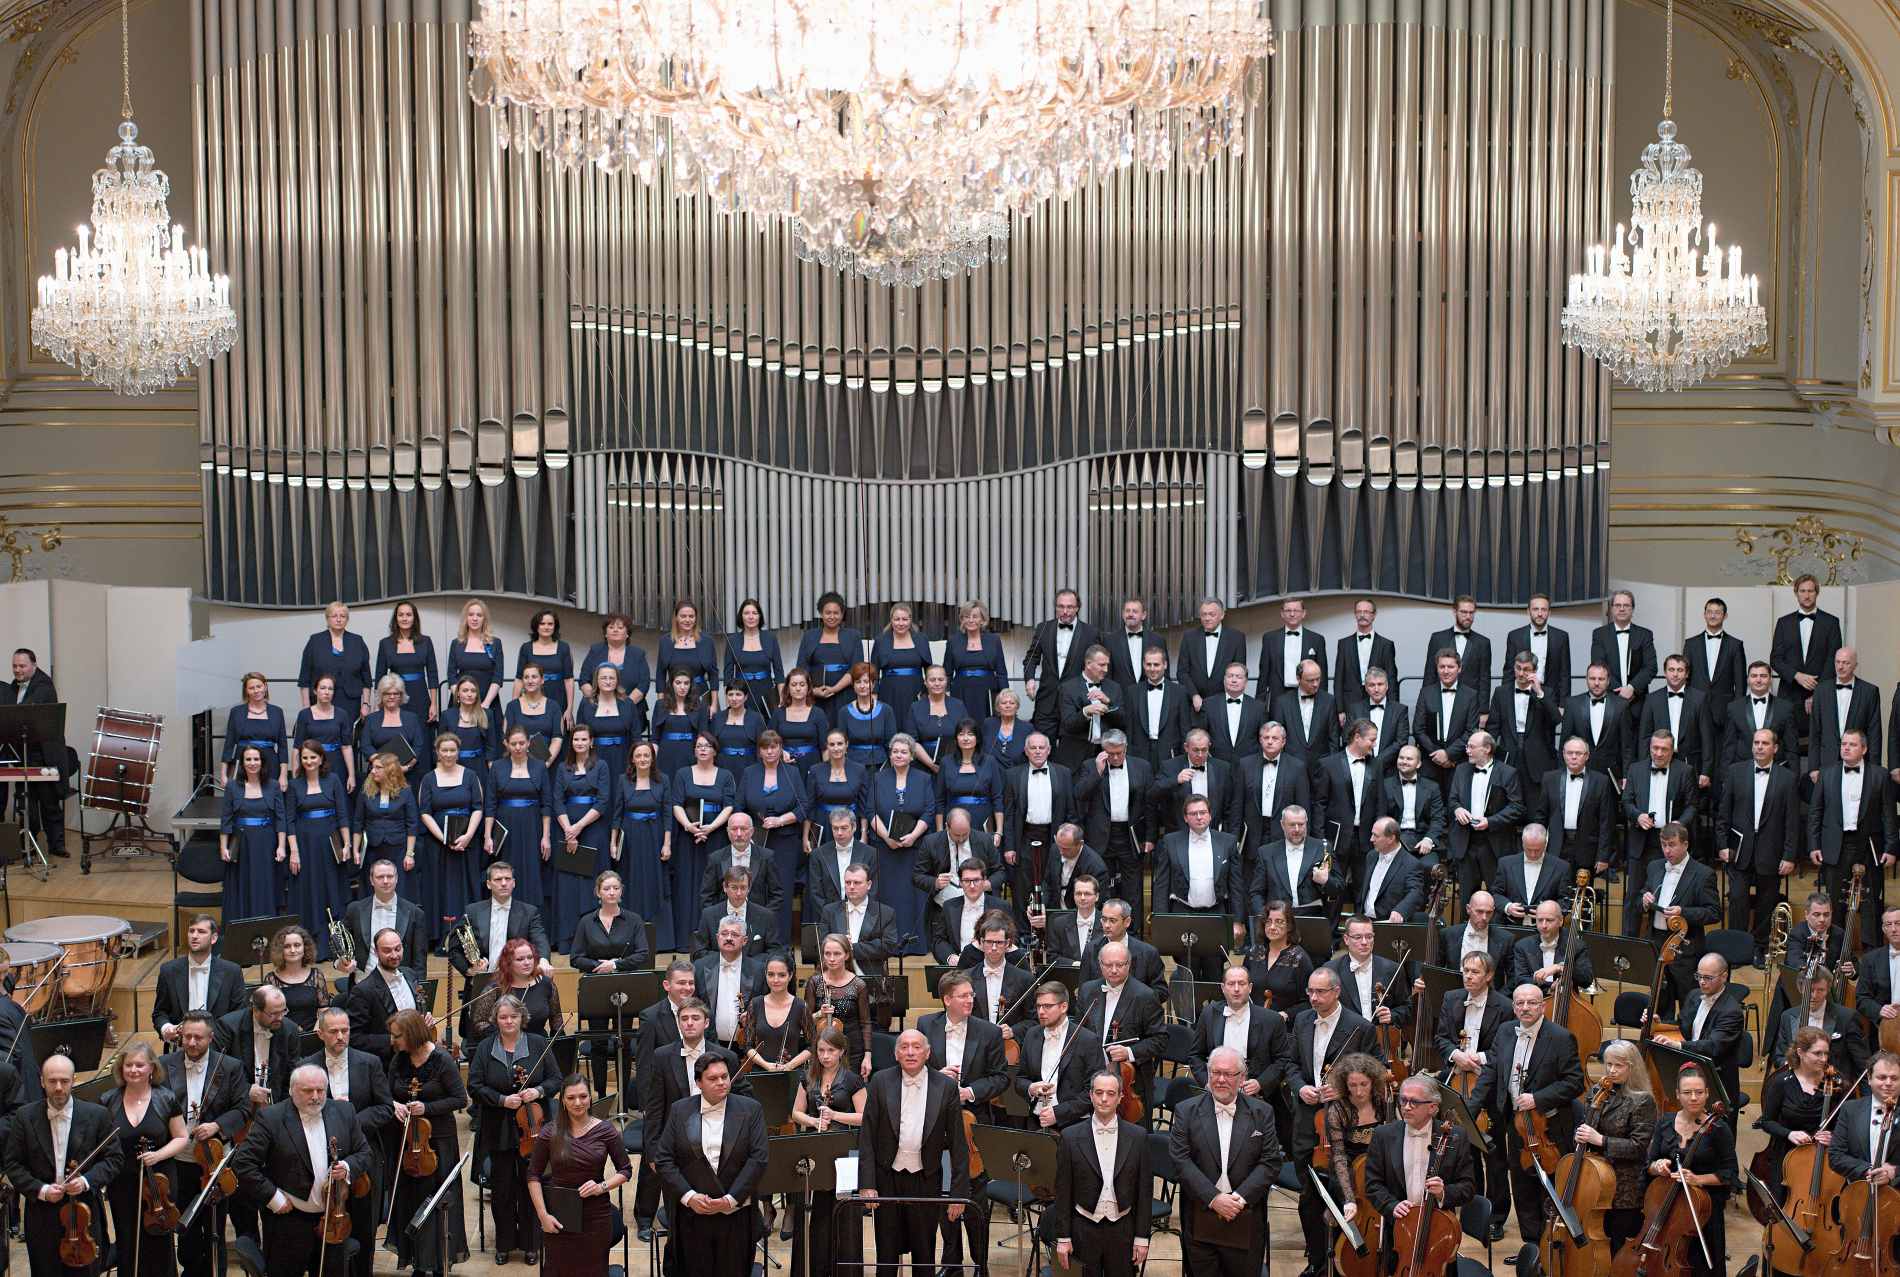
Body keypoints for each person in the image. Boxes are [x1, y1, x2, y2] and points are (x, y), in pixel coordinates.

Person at [229, 1063, 373, 1277]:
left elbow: (365, 1153)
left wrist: (347, 1166)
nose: (315, 1097)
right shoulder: (271, 1117)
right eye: (308, 1091)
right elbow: (243, 1163)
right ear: (292, 1090)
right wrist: (273, 1197)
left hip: (334, 1218)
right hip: (288, 1222)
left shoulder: (345, 1111)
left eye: (320, 1090)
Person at [1474, 983, 1586, 1243]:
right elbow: (1491, 1071)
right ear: (1514, 1007)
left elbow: (1575, 1083)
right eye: (1520, 1003)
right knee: (1522, 1187)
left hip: (1549, 1126)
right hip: (1516, 1124)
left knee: (1549, 1189)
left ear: (1542, 1006)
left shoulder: (1561, 1038)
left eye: (1532, 1003)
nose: (1525, 1008)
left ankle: (1551, 1249)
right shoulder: (1505, 1031)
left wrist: (1537, 1098)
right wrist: (1471, 1108)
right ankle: (1531, 1249)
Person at [859, 1029, 970, 1277]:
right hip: (887, 1176)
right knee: (886, 1253)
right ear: (896, 1054)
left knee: (924, 1252)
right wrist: (867, 1183)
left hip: (926, 1178)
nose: (910, 1052)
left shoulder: (946, 1086)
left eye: (917, 1047)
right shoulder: (880, 1081)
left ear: (927, 1053)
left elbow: (958, 1144)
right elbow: (867, 1136)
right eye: (904, 1047)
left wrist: (958, 1193)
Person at [921, 971, 1008, 1275]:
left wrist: (968, 1091)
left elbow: (1001, 1078)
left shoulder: (989, 1032)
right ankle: (951, 1264)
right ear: (947, 999)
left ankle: (980, 1263)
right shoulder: (925, 1025)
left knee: (975, 1200)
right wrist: (936, 1077)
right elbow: (913, 1068)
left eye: (971, 994)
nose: (970, 1000)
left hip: (974, 1123)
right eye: (963, 996)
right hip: (937, 1123)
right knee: (944, 1194)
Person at [1169, 1045, 1282, 1277]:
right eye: (1216, 1073)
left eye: (1228, 1074)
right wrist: (1214, 1198)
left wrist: (1238, 1199)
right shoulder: (1185, 1111)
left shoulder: (1263, 1112)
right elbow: (1181, 1160)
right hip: (1200, 1215)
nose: (1221, 1080)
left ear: (1242, 1078)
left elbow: (1270, 1162)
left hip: (1245, 1216)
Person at [297, 1007, 394, 1277]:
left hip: (363, 1155)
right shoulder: (306, 1066)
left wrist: (349, 1119)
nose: (341, 1036)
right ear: (320, 1033)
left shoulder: (370, 1062)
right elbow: (296, 1108)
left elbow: (385, 1107)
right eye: (334, 1031)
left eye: (345, 1030)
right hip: (320, 1154)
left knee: (364, 1225)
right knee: (325, 1225)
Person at [652, 1052, 768, 1277]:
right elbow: (664, 1159)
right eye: (713, 1078)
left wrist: (729, 1200)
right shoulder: (679, 1110)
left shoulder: (751, 1109)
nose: (721, 1082)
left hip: (736, 1214)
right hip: (693, 1215)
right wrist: (689, 1197)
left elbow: (758, 1159)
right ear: (698, 1083)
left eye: (724, 1076)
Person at [468, 995, 563, 1265]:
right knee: (502, 1189)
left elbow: (556, 1079)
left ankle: (532, 1244)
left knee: (531, 1184)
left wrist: (538, 1091)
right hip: (498, 1128)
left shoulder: (538, 1043)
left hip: (533, 1128)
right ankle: (504, 1244)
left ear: (522, 1017)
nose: (508, 1021)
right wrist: (501, 1100)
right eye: (503, 1017)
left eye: (513, 1016)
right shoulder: (485, 1048)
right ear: (495, 1020)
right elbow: (474, 1086)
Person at [5, 1054, 119, 1277]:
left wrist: (85, 1181)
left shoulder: (97, 1115)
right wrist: (41, 1190)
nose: (58, 1087)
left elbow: (113, 1159)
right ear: (41, 1081)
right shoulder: (24, 1116)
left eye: (64, 1081)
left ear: (73, 1080)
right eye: (52, 1081)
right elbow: (13, 1163)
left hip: (85, 1213)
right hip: (42, 1215)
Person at [161, 1011, 252, 1271]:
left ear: (211, 1038)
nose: (191, 1042)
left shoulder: (230, 1066)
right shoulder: (164, 1064)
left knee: (214, 1230)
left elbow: (243, 1108)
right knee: (185, 1229)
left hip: (213, 1162)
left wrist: (217, 1126)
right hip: (178, 1160)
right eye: (187, 1036)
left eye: (198, 1038)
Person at [384, 1008, 469, 1273]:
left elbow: (460, 1099)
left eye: (397, 1036)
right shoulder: (398, 1060)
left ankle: (439, 1263)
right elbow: (386, 1093)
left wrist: (427, 1108)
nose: (393, 1041)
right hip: (407, 1141)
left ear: (412, 1034)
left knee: (437, 1202)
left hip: (438, 1143)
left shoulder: (441, 1060)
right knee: (410, 1200)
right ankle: (418, 1263)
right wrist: (395, 1105)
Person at [1363, 1077, 1479, 1269]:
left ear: (1432, 1107)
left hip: (1438, 1230)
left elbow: (1468, 1187)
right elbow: (1372, 1184)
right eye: (1403, 1100)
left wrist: (1443, 1193)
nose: (1406, 1107)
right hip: (1398, 1232)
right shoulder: (1383, 1135)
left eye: (1414, 1102)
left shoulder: (1456, 1137)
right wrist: (1392, 1205)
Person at [98, 1043, 189, 1277]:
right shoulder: (108, 1100)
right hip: (122, 1181)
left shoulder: (166, 1098)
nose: (133, 1070)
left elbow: (182, 1137)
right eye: (128, 1065)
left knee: (159, 1239)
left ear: (152, 1068)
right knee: (127, 1238)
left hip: (159, 1180)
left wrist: (158, 1155)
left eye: (139, 1065)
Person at [529, 1074, 634, 1277]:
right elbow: (533, 1175)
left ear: (590, 1098)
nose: (578, 1103)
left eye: (583, 1096)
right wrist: (543, 1215)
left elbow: (625, 1170)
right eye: (571, 1098)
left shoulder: (605, 1130)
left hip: (596, 1216)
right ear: (562, 1100)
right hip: (560, 1214)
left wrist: (601, 1187)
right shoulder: (549, 1132)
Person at [1052, 1070, 1154, 1277]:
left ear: (1120, 1097)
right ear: (1090, 1095)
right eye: (1099, 1093)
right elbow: (1063, 1191)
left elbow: (1144, 1191)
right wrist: (1063, 1237)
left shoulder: (1138, 1136)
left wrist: (1142, 1237)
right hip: (1084, 1227)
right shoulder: (1070, 1136)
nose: (1104, 1099)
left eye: (1111, 1093)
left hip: (1123, 1228)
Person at [1809, 728, 1898, 949]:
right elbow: (1815, 813)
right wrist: (1814, 845)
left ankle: (1871, 953)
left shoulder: (1880, 775)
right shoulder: (1827, 773)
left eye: (1852, 744)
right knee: (1835, 901)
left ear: (1864, 749)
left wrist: (1891, 848)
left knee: (1870, 902)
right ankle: (1836, 952)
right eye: (1844, 744)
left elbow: (1888, 814)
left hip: (1869, 845)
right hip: (1835, 846)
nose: (1846, 748)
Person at [1644, 1064, 1736, 1277]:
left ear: (1707, 1093)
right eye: (1687, 1092)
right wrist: (1657, 1167)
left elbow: (1730, 1173)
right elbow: (1648, 1164)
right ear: (1677, 1094)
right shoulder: (1665, 1122)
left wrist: (1698, 1179)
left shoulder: (1719, 1129)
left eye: (1699, 1092)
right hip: (1667, 1208)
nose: (1693, 1097)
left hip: (1703, 1213)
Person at [789, 1026, 868, 1274]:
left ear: (841, 1051)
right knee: (818, 1210)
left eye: (831, 1051)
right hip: (816, 1151)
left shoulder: (852, 1080)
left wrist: (835, 1115)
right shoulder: (808, 1077)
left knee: (843, 1211)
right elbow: (796, 1112)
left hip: (844, 1152)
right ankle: (816, 1268)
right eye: (821, 1050)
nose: (825, 1056)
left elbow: (865, 1117)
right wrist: (813, 1121)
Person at [1570, 1040, 1658, 1256]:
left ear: (1632, 1067)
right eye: (1608, 1064)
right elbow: (1586, 1129)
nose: (1611, 1070)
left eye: (1619, 1065)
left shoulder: (1643, 1100)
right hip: (1594, 1181)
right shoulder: (1598, 1091)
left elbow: (1638, 1147)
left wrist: (1601, 1140)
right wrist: (1580, 1136)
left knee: (1617, 1244)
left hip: (1624, 1187)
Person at [1625, 823, 1721, 1015]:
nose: (1667, 850)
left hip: (1685, 949)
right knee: (1659, 1006)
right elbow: (1639, 899)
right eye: (1664, 845)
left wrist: (1683, 912)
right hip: (1656, 945)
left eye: (1672, 845)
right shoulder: (1654, 867)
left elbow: (1713, 912)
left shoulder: (1703, 874)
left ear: (1685, 844)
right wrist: (1644, 900)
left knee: (1688, 1007)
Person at [1723, 726, 1802, 943]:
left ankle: (1759, 946)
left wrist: (1789, 856)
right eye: (1756, 743)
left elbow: (1792, 822)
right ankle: (1737, 945)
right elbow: (1724, 813)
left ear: (1775, 748)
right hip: (1739, 851)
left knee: (1767, 902)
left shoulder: (1787, 778)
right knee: (1737, 898)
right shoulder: (1735, 771)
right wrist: (1721, 844)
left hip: (1771, 851)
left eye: (1765, 743)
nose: (1759, 747)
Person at [1075, 941, 1167, 1122]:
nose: (1114, 970)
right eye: (1108, 965)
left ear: (1129, 964)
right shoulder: (1087, 990)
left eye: (1120, 965)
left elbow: (1160, 1039)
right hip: (1091, 1078)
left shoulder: (1146, 996)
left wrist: (1130, 1052)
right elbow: (1079, 1031)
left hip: (1131, 1082)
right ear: (1100, 965)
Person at [554, 726, 620, 955]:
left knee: (592, 884)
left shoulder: (601, 766)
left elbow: (603, 801)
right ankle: (569, 939)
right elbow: (557, 800)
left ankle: (595, 940)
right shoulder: (562, 768)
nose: (580, 743)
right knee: (569, 886)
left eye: (584, 739)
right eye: (576, 739)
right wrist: (568, 830)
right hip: (566, 830)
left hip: (593, 830)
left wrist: (578, 827)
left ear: (591, 742)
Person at [284, 744, 354, 956]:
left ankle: (335, 946)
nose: (309, 761)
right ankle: (310, 945)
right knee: (308, 891)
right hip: (305, 847)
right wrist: (294, 852)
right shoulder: (294, 785)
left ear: (321, 759)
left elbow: (342, 815)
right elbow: (290, 821)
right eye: (305, 758)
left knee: (331, 890)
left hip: (330, 846)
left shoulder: (333, 780)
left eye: (313, 757)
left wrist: (347, 844)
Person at [416, 732, 487, 941]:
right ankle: (443, 937)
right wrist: (444, 838)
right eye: (444, 750)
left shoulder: (471, 776)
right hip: (438, 844)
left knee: (466, 886)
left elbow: (478, 808)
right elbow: (424, 812)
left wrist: (468, 836)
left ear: (458, 752)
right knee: (440, 888)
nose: (448, 754)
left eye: (452, 750)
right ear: (437, 752)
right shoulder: (428, 779)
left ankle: (469, 937)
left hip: (466, 842)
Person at [1755, 1027, 1834, 1209]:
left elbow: (1846, 1123)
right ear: (1800, 1052)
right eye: (1817, 1053)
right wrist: (1789, 1133)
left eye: (1826, 1053)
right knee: (1783, 1206)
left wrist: (1833, 1136)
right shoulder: (1781, 1082)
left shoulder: (1835, 1082)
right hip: (1786, 1155)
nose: (1824, 1059)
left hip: (1824, 1157)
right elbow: (1766, 1122)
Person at [739, 731, 808, 941]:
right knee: (756, 889)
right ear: (759, 751)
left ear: (780, 748)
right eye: (765, 747)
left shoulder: (792, 773)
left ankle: (781, 943)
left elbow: (804, 807)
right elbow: (739, 806)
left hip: (785, 840)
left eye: (774, 747)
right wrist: (747, 832)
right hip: (756, 841)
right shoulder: (749, 772)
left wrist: (780, 820)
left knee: (782, 891)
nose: (770, 751)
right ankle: (755, 940)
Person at [871, 734, 936, 948]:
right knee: (888, 895)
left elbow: (929, 810)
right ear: (890, 755)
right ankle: (889, 942)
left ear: (912, 756)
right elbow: (870, 811)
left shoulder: (923, 778)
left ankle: (915, 944)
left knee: (912, 896)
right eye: (895, 751)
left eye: (904, 752)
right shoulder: (878, 778)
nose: (898, 755)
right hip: (886, 848)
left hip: (915, 848)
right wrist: (887, 837)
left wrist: (913, 836)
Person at [2, 648, 67, 858]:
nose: (17, 670)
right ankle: (28, 846)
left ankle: (56, 845)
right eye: (14, 666)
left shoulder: (43, 685)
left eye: (22, 666)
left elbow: (26, 712)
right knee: (26, 803)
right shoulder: (14, 686)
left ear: (34, 665)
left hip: (44, 754)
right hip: (23, 753)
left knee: (49, 801)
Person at [488, 725, 555, 927]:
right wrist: (487, 836)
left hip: (533, 827)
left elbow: (547, 804)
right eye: (513, 743)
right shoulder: (497, 767)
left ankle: (532, 924)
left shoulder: (539, 766)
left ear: (528, 743)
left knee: (533, 873)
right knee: (506, 871)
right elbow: (490, 804)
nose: (518, 747)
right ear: (506, 744)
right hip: (505, 828)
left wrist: (546, 836)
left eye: (521, 743)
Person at [1446, 730, 1525, 900]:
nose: (1467, 750)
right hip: (1466, 842)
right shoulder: (1461, 770)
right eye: (1467, 746)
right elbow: (1452, 800)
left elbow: (1517, 807)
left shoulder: (1508, 772)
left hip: (1493, 843)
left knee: (1497, 896)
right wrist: (1457, 809)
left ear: (1487, 749)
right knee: (1467, 898)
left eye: (1471, 747)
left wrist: (1490, 821)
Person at [1319, 1053, 1394, 1228]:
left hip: (1378, 1167)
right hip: (1347, 1168)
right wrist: (1349, 1198)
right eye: (1352, 1085)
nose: (1359, 1092)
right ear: (1344, 1084)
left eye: (1364, 1084)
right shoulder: (1337, 1110)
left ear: (1373, 1082)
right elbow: (1338, 1156)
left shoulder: (1383, 1103)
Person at [613, 740, 674, 951]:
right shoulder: (623, 780)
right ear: (632, 759)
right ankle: (630, 939)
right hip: (630, 839)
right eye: (638, 755)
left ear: (652, 758)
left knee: (655, 884)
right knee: (631, 882)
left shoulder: (663, 780)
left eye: (646, 755)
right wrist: (613, 843)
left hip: (654, 837)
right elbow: (617, 814)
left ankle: (661, 940)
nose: (642, 759)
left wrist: (667, 844)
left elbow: (667, 814)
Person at [449, 859, 553, 979]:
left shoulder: (529, 912)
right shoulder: (473, 911)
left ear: (513, 883)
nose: (503, 883)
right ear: (488, 884)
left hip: (517, 981)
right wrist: (469, 971)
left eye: (507, 879)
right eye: (498, 879)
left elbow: (540, 940)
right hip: (482, 981)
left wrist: (544, 960)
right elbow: (453, 947)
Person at [153, 913, 246, 1045]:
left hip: (219, 1045)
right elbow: (160, 1012)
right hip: (181, 1045)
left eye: (201, 932)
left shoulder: (232, 972)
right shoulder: (168, 971)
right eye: (191, 931)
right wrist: (166, 1028)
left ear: (213, 938)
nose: (194, 936)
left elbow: (239, 1014)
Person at [335, 860, 428, 988]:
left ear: (397, 879)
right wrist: (339, 962)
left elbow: (419, 962)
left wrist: (418, 990)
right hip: (362, 985)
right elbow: (338, 942)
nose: (385, 881)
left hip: (399, 987)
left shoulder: (415, 913)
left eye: (390, 876)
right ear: (371, 880)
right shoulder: (355, 909)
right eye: (380, 877)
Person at [220, 745, 287, 919]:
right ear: (242, 763)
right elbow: (226, 819)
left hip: (266, 844)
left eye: (256, 759)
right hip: (241, 845)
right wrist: (223, 847)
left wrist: (281, 846)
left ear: (262, 762)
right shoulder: (232, 786)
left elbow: (281, 819)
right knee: (242, 885)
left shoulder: (273, 786)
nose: (252, 763)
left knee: (265, 884)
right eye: (248, 759)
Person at [1767, 965, 1867, 1079]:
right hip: (1797, 1083)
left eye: (1820, 990)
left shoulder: (1846, 1017)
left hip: (1834, 1085)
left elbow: (1862, 1064)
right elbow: (1779, 1056)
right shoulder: (1788, 1016)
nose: (1814, 996)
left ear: (1828, 990)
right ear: (1801, 988)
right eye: (1810, 990)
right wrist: (1790, 1065)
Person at [342, 929, 427, 1062]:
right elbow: (354, 1037)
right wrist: (393, 1040)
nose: (394, 955)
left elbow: (418, 1010)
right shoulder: (362, 991)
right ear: (376, 952)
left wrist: (423, 1020)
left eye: (397, 949)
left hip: (419, 1056)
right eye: (387, 951)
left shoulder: (410, 974)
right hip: (388, 1063)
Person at [1826, 1049, 1900, 1200]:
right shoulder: (1850, 1109)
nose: (1888, 1083)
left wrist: (1894, 1171)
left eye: (1894, 1078)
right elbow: (1835, 1156)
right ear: (1869, 1078)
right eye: (1882, 1077)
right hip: (1858, 1196)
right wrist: (1868, 1170)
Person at [1538, 737, 1619, 874]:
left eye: (1578, 753)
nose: (1573, 757)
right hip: (1556, 847)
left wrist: (1603, 856)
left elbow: (1606, 822)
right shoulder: (1550, 779)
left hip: (1587, 850)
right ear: (1563, 754)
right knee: (1555, 886)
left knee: (1583, 887)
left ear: (1587, 756)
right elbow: (1541, 816)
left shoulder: (1601, 781)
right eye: (1570, 753)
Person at [216, 985, 296, 1114]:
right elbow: (219, 1071)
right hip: (236, 1103)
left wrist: (281, 1110)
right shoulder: (228, 1027)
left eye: (283, 1011)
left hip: (276, 1104)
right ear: (255, 1010)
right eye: (273, 1014)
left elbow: (291, 1073)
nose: (280, 1018)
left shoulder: (289, 1029)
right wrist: (246, 1089)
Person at [816, 861, 902, 976]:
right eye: (848, 882)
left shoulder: (885, 913)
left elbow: (888, 946)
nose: (851, 887)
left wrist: (851, 948)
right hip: (836, 977)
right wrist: (838, 945)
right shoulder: (829, 911)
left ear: (869, 885)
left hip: (871, 977)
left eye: (857, 883)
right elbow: (821, 943)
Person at [353, 749, 419, 897]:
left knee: (399, 889)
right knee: (372, 889)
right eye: (373, 767)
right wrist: (356, 850)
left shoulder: (405, 792)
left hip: (398, 848)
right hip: (372, 849)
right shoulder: (366, 791)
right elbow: (358, 822)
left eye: (378, 768)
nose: (372, 771)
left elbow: (412, 824)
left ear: (390, 770)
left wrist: (409, 854)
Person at [1413, 648, 1480, 790]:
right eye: (1442, 666)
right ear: (1437, 668)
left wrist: (1448, 754)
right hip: (1430, 763)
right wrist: (1438, 755)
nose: (1446, 671)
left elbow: (1471, 731)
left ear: (1459, 668)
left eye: (1450, 667)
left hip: (1458, 763)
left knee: (1456, 802)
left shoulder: (1471, 695)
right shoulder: (1426, 693)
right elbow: (1418, 729)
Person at [738, 953, 815, 1077]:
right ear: (765, 975)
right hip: (760, 1074)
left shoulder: (801, 1006)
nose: (775, 980)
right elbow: (748, 1045)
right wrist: (766, 1065)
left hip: (791, 1075)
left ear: (790, 975)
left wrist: (789, 1066)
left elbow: (812, 1045)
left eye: (781, 975)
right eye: (771, 974)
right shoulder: (755, 1004)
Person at [806, 933, 874, 1071]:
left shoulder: (859, 985)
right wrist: (820, 1014)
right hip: (822, 1050)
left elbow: (865, 1023)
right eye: (827, 954)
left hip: (852, 1049)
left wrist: (867, 1056)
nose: (831, 959)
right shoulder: (815, 982)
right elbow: (805, 1021)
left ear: (847, 955)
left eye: (837, 954)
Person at [696, 918, 765, 1050]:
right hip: (709, 1046)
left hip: (747, 1046)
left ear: (744, 940)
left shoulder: (759, 970)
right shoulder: (700, 967)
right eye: (724, 934)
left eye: (734, 934)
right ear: (717, 938)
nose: (728, 938)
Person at [1491, 650, 1559, 781]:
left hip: (1537, 761)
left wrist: (1539, 693)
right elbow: (1493, 727)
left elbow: (1556, 719)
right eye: (1518, 668)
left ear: (1535, 671)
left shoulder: (1546, 693)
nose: (1521, 673)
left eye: (1526, 669)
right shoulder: (1501, 693)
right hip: (1508, 758)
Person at [1243, 900, 1314, 1024]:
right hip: (1252, 1022)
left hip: (1285, 1026)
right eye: (1268, 921)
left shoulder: (1300, 958)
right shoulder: (1254, 952)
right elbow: (1244, 988)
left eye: (1279, 922)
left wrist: (1286, 1014)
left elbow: (1310, 1001)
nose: (1272, 927)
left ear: (1289, 926)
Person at [1175, 597, 1248, 715]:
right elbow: (1182, 672)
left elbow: (1239, 673)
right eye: (1204, 615)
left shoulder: (1237, 638)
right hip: (1194, 704)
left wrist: (1227, 697)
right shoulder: (1189, 637)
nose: (1207, 618)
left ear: (1222, 615)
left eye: (1211, 614)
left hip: (1225, 705)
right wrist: (1194, 695)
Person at [1593, 590, 1659, 715]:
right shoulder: (1599, 634)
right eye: (1618, 605)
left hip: (1638, 702)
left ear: (1632, 609)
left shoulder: (1645, 635)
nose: (1622, 609)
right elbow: (1598, 665)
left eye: (1626, 605)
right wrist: (1619, 691)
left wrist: (1631, 688)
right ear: (1612, 609)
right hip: (1609, 699)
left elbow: (1651, 667)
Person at [1379, 743, 1447, 863]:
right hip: (1394, 838)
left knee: (1430, 866)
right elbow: (1380, 817)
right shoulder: (1385, 785)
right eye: (1401, 758)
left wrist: (1428, 839)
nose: (1404, 761)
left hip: (1423, 838)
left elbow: (1438, 818)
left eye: (1409, 759)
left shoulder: (1432, 787)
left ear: (1419, 764)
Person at [1271, 659, 1341, 773]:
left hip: (1321, 768)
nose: (1315, 684)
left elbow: (1334, 738)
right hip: (1291, 768)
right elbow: (1277, 737)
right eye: (1310, 680)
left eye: (1318, 679)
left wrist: (1331, 767)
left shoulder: (1329, 701)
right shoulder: (1282, 702)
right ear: (1298, 679)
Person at [221, 671, 290, 788]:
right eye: (251, 688)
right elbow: (229, 744)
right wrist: (223, 774)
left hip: (270, 765)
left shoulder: (277, 712)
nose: (256, 690)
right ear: (246, 691)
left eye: (259, 686)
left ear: (265, 687)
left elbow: (283, 746)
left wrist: (283, 775)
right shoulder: (236, 712)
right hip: (243, 764)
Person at [359, 675, 430, 788]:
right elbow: (365, 745)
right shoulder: (371, 719)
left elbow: (418, 745)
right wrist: (382, 766)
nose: (391, 697)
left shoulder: (412, 718)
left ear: (401, 696)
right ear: (381, 695)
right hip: (378, 776)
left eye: (396, 693)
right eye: (387, 693)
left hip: (406, 775)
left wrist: (406, 768)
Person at [292, 673, 357, 795]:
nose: (326, 692)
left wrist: (351, 775)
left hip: (336, 765)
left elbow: (347, 747)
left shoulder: (342, 714)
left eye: (330, 689)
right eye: (322, 688)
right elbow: (297, 747)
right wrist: (295, 777)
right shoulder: (304, 714)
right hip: (311, 765)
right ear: (315, 691)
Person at [373, 601, 439, 720]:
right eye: (401, 615)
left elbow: (432, 675)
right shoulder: (385, 643)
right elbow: (379, 677)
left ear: (414, 618)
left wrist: (434, 704)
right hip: (394, 697)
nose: (404, 618)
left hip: (420, 696)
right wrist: (378, 704)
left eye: (408, 615)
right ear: (396, 618)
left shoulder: (426, 642)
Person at [1495, 824, 1573, 924]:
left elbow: (1565, 900)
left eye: (1537, 850)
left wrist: (1548, 912)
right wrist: (1507, 907)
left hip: (1546, 927)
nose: (1533, 854)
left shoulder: (1562, 867)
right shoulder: (1505, 864)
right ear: (1523, 843)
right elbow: (1496, 893)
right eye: (1528, 849)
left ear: (1545, 844)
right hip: (1509, 925)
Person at [1503, 594, 1572, 708]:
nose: (1540, 613)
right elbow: (1509, 672)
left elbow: (1565, 674)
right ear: (1528, 611)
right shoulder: (1514, 636)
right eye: (1535, 609)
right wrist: (1505, 703)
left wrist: (1563, 705)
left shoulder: (1561, 637)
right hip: (1522, 696)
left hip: (1551, 698)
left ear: (1549, 612)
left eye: (1543, 609)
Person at [577, 612, 651, 716]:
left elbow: (643, 684)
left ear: (627, 634)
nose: (615, 630)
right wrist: (598, 702)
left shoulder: (638, 654)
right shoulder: (595, 651)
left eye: (620, 628)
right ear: (605, 633)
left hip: (631, 710)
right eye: (611, 627)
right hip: (597, 709)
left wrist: (626, 706)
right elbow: (584, 680)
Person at [443, 596, 506, 716]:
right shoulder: (456, 643)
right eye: (471, 614)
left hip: (488, 702)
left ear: (484, 619)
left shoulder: (495, 643)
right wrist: (462, 700)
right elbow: (451, 676)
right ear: (466, 618)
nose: (475, 618)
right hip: (461, 704)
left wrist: (486, 704)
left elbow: (498, 677)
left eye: (479, 615)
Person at [265, 925, 333, 1033]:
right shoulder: (271, 979)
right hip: (284, 1034)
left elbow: (324, 1009)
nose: (293, 950)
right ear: (280, 950)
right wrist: (293, 1029)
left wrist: (316, 1030)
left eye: (297, 945)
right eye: (287, 946)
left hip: (313, 1033)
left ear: (305, 947)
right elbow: (270, 1015)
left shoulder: (316, 975)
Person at [797, 592, 862, 704]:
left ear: (842, 614)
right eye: (828, 613)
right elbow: (802, 668)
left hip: (846, 694)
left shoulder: (853, 636)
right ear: (821, 614)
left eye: (836, 613)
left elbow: (856, 668)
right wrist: (812, 690)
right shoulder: (809, 636)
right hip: (816, 695)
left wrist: (834, 689)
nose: (832, 617)